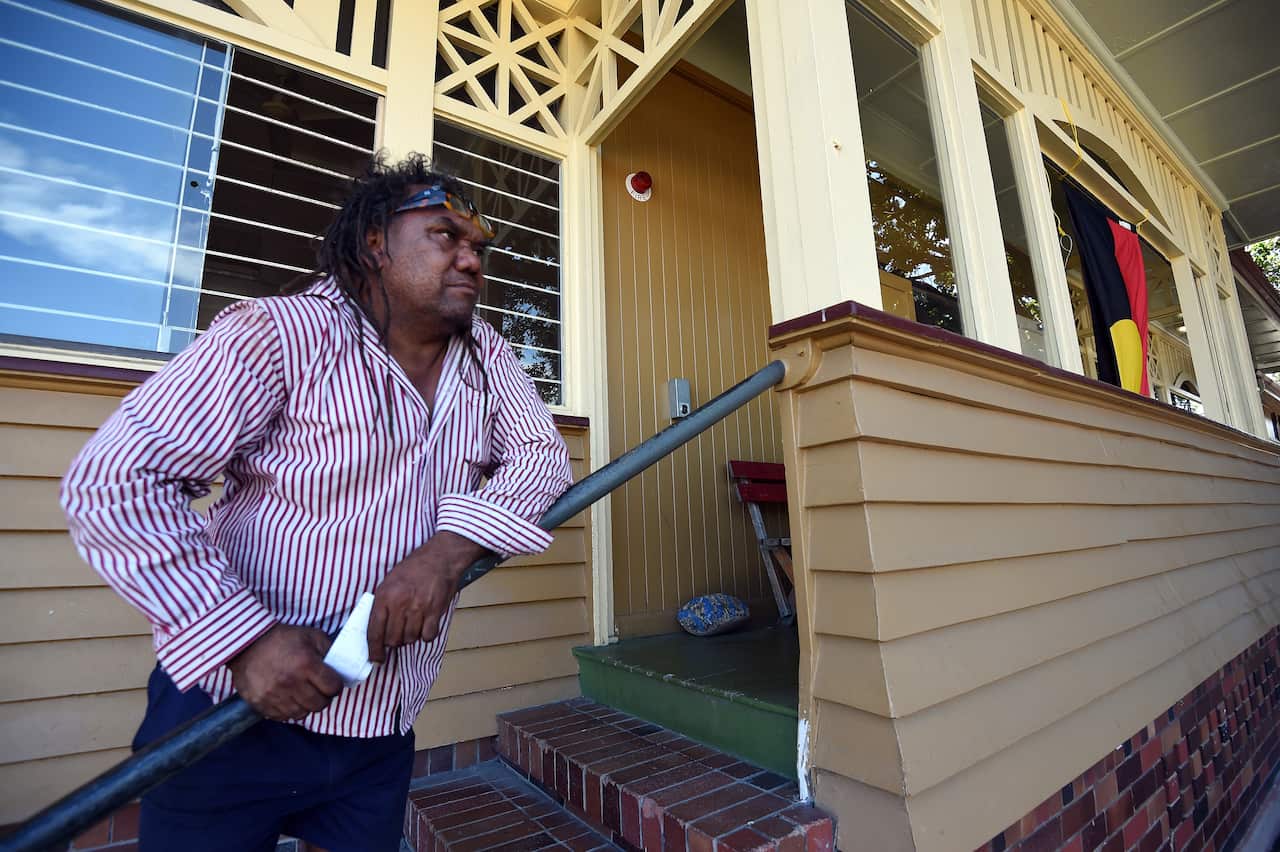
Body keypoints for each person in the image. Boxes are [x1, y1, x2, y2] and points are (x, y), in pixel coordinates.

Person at [60, 153, 574, 852]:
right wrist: (242, 640)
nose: (471, 261)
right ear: (375, 242)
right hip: (229, 719)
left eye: (477, 247)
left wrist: (447, 551)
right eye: (445, 237)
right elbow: (117, 480)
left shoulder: (486, 353)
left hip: (378, 727)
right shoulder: (279, 334)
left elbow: (541, 456)